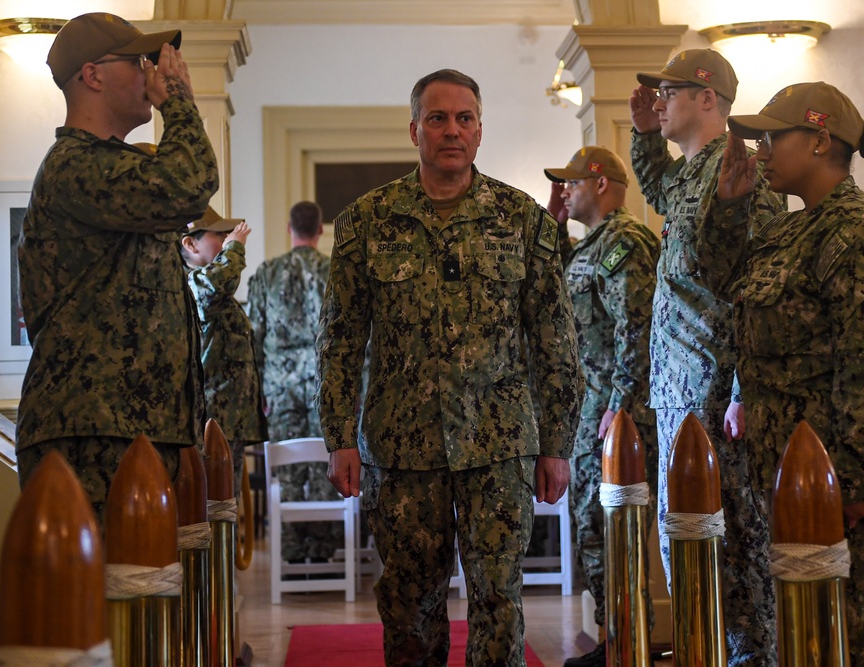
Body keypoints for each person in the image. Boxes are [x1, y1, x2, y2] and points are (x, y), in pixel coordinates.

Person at [317, 69, 583, 666]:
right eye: (437, 118)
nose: (451, 131)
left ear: (481, 131)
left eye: (464, 119)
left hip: (500, 447)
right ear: (414, 130)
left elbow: (555, 341)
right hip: (402, 450)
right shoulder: (366, 221)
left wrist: (558, 444)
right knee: (410, 609)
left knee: (498, 603)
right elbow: (339, 340)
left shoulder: (522, 221)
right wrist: (340, 437)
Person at [702, 81, 864, 667]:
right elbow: (722, 285)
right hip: (788, 469)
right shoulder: (792, 230)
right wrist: (728, 208)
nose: (762, 149)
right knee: (795, 633)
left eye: (774, 136)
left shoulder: (859, 233)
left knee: (842, 633)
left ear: (821, 140)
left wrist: (852, 483)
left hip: (835, 472)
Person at [16, 12, 218, 525]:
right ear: (92, 75)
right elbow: (190, 183)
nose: (151, 73)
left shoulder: (119, 168)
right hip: (92, 431)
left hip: (132, 427)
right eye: (139, 61)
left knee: (143, 601)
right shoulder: (75, 166)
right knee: (103, 602)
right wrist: (177, 99)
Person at [628, 48, 785, 666]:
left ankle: (749, 658)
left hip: (720, 397)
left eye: (670, 93)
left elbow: (760, 285)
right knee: (686, 541)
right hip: (677, 391)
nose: (659, 102)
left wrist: (747, 388)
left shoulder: (744, 174)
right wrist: (645, 136)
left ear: (709, 99)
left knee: (737, 554)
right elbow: (660, 188)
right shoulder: (689, 173)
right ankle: (706, 653)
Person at [543, 147, 659, 667]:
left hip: (616, 417)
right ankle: (614, 642)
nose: (565, 190)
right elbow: (544, 273)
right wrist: (553, 216)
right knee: (593, 531)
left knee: (616, 534)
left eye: (572, 183)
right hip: (588, 416)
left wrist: (622, 405)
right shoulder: (588, 246)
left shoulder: (624, 243)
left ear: (602, 185)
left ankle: (628, 646)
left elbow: (636, 328)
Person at [246, 201, 343, 564]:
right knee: (323, 464)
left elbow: (254, 335)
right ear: (320, 230)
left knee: (287, 469)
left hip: (280, 383)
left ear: (289, 229)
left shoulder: (267, 274)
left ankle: (290, 549)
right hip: (325, 382)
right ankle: (321, 549)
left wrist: (259, 391)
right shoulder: (334, 270)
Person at [181, 207, 268, 491]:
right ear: (190, 243)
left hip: (230, 421)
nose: (227, 238)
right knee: (212, 511)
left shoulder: (211, 287)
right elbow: (215, 286)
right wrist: (233, 249)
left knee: (225, 510)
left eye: (226, 234)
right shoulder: (192, 284)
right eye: (218, 234)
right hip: (210, 423)